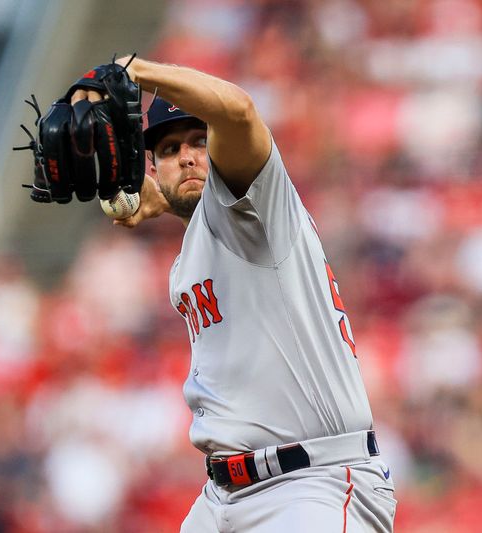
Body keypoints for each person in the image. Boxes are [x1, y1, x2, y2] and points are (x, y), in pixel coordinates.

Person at [71, 56, 396, 532]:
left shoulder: (257, 206)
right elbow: (190, 199)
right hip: (222, 496)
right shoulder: (198, 237)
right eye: (168, 148)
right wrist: (159, 200)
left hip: (310, 486)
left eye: (200, 141)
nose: (186, 156)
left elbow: (239, 111)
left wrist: (133, 70)